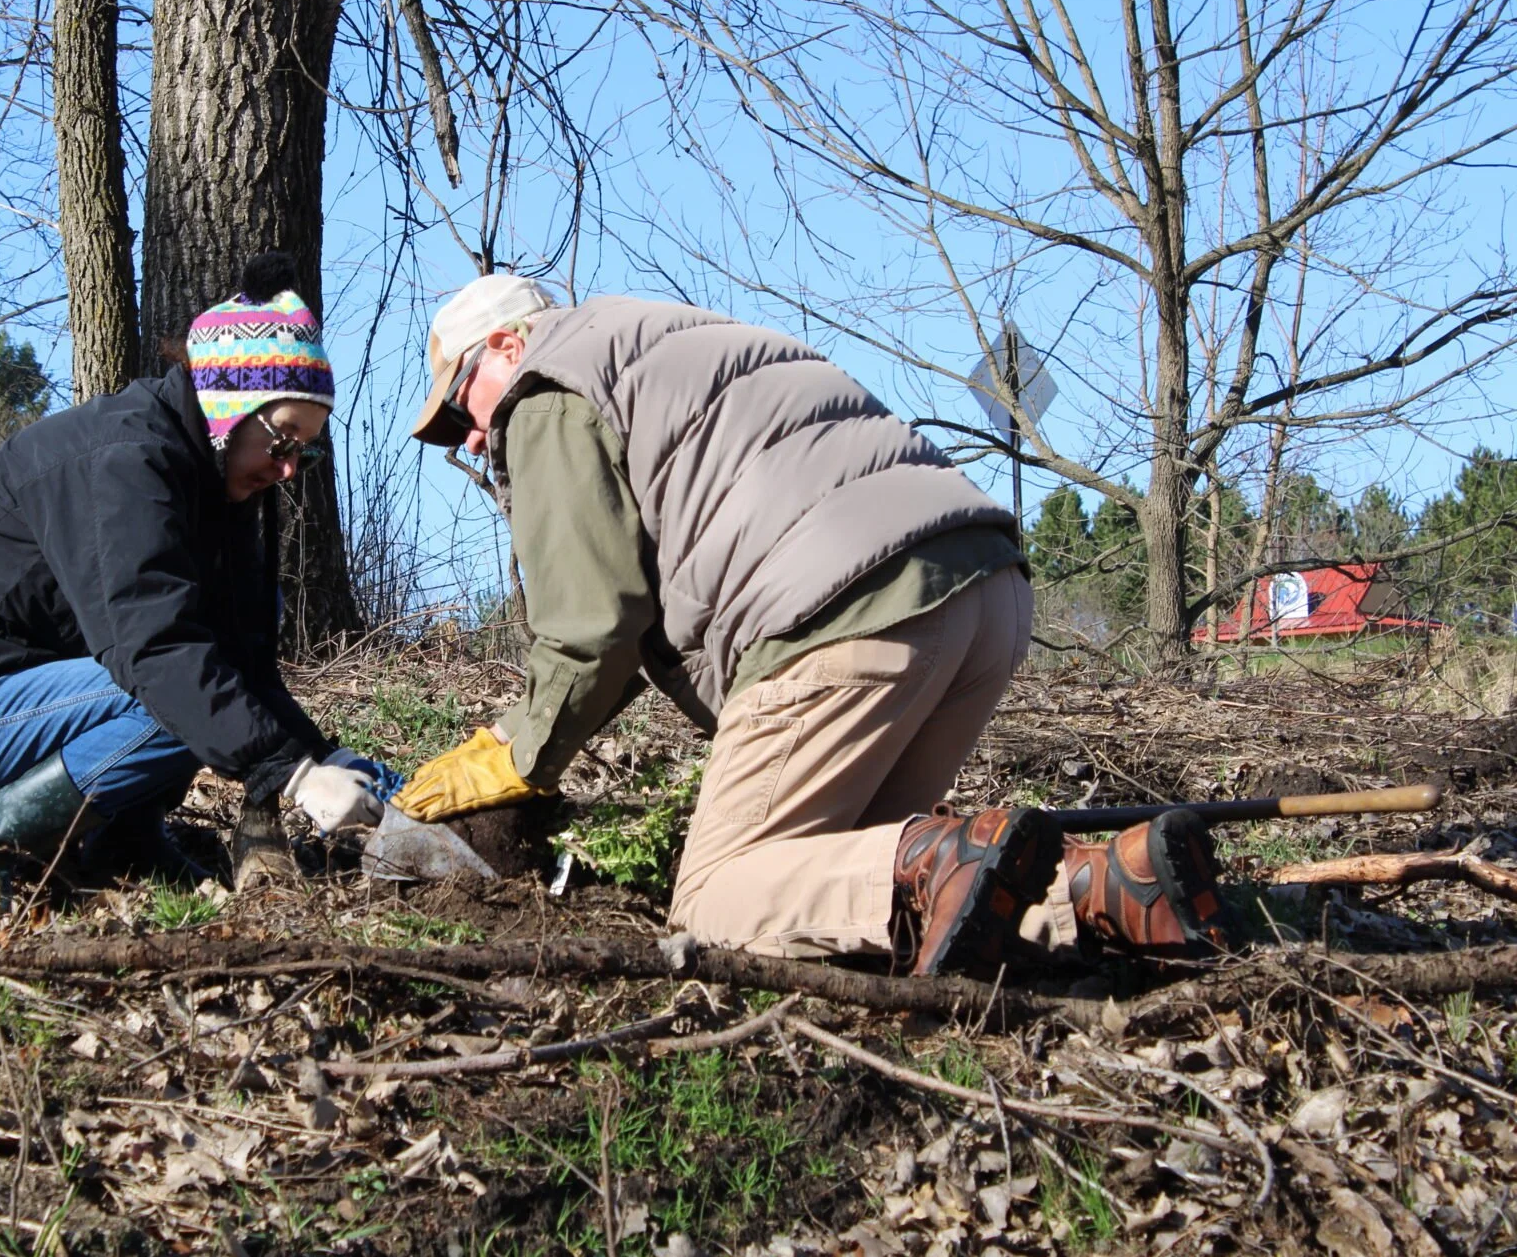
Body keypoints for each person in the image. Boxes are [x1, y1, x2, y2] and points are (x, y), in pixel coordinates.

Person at [393, 277, 1236, 975]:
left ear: (508, 344)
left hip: (848, 612)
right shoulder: (662, 336)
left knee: (719, 898)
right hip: (983, 587)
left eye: (461, 405)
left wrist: (517, 751)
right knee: (841, 861)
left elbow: (592, 628)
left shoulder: (547, 386)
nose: (471, 437)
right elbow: (620, 629)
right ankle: (1107, 885)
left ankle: (942, 865)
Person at [0, 254, 395, 912]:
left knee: (205, 673)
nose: (288, 469)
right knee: (175, 684)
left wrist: (328, 758)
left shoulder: (218, 485)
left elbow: (246, 667)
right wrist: (296, 775)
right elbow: (159, 655)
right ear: (229, 405)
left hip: (9, 720)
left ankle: (123, 836)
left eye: (305, 452)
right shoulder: (127, 460)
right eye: (282, 441)